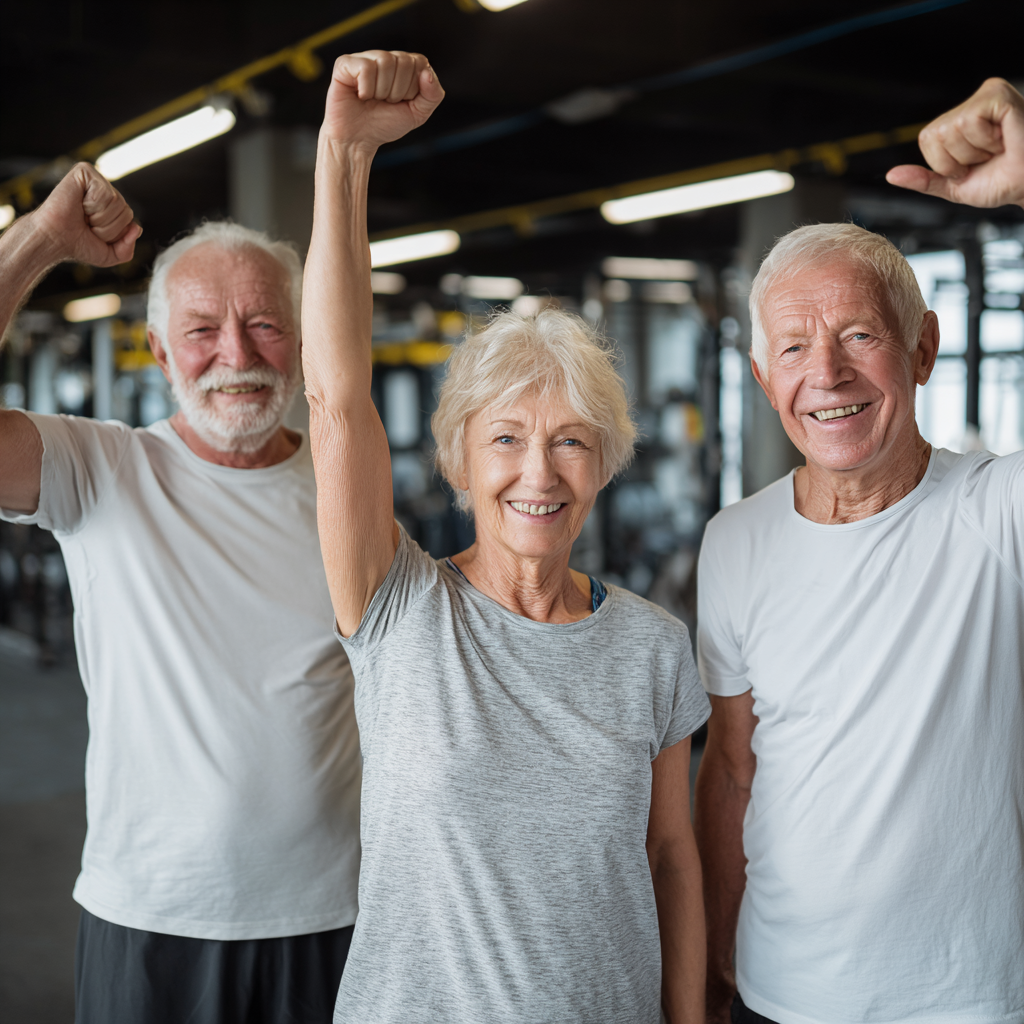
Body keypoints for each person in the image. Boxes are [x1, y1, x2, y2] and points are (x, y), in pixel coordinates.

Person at [301, 50, 711, 1023]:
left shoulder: (652, 644)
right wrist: (343, 154)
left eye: (571, 441)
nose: (539, 471)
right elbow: (335, 399)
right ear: (456, 460)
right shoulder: (397, 607)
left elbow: (669, 854)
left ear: (603, 464)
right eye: (507, 439)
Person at [695, 76, 1024, 1024]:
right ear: (763, 380)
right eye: (793, 349)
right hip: (779, 994)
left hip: (969, 1001)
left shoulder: (995, 511)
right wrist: (717, 964)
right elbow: (732, 768)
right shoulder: (736, 541)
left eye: (858, 336)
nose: (826, 374)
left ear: (922, 349)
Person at [0, 164, 361, 1023]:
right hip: (152, 919)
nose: (235, 355)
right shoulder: (102, 469)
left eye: (264, 323)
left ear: (304, 340)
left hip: (334, 919)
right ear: (159, 352)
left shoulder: (351, 491)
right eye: (202, 329)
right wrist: (42, 240)